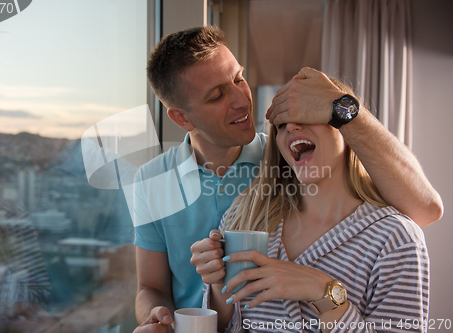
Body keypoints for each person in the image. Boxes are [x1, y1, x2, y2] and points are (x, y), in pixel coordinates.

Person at [134, 26, 441, 332]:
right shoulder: (239, 211)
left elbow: (424, 210)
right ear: (181, 118)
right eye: (216, 96)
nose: (242, 100)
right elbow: (155, 288)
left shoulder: (389, 236)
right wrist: (164, 315)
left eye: (239, 78)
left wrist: (324, 292)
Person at [190, 78, 429, 333]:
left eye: (308, 114)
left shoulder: (395, 239)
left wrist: (325, 294)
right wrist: (216, 283)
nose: (291, 126)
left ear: (346, 128)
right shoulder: (243, 216)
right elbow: (225, 326)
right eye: (281, 124)